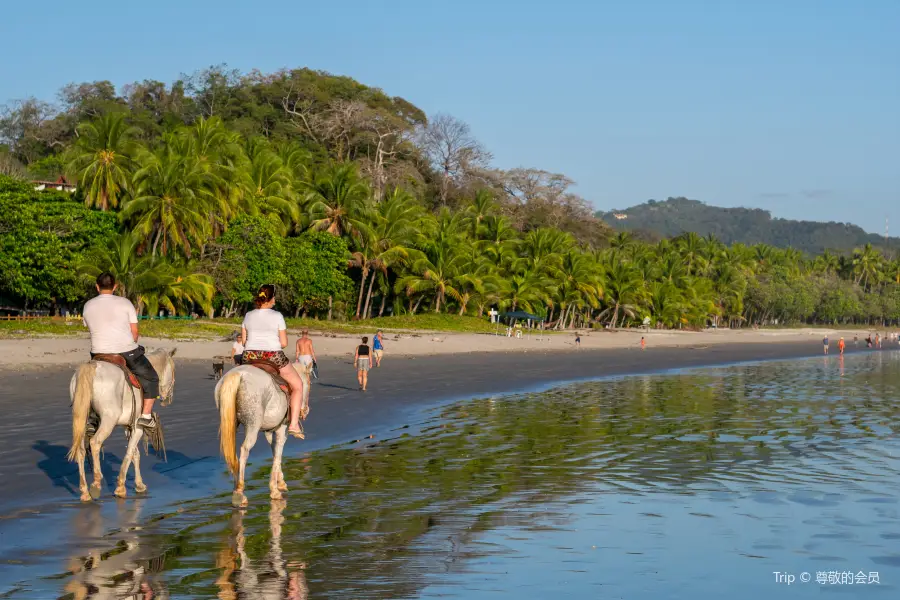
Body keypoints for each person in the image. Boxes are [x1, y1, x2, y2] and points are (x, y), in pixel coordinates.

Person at [82, 273, 160, 429]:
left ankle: (92, 418)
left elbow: (89, 326)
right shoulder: (125, 303)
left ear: (97, 287)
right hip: (126, 352)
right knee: (151, 378)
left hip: (98, 354)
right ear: (115, 286)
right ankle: (145, 416)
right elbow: (135, 333)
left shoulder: (88, 305)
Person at [241, 285, 306, 438]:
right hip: (272, 356)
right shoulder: (277, 316)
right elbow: (283, 343)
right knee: (298, 386)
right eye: (274, 297)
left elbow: (244, 341)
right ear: (270, 299)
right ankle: (294, 424)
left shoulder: (248, 315)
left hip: (249, 356)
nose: (275, 299)